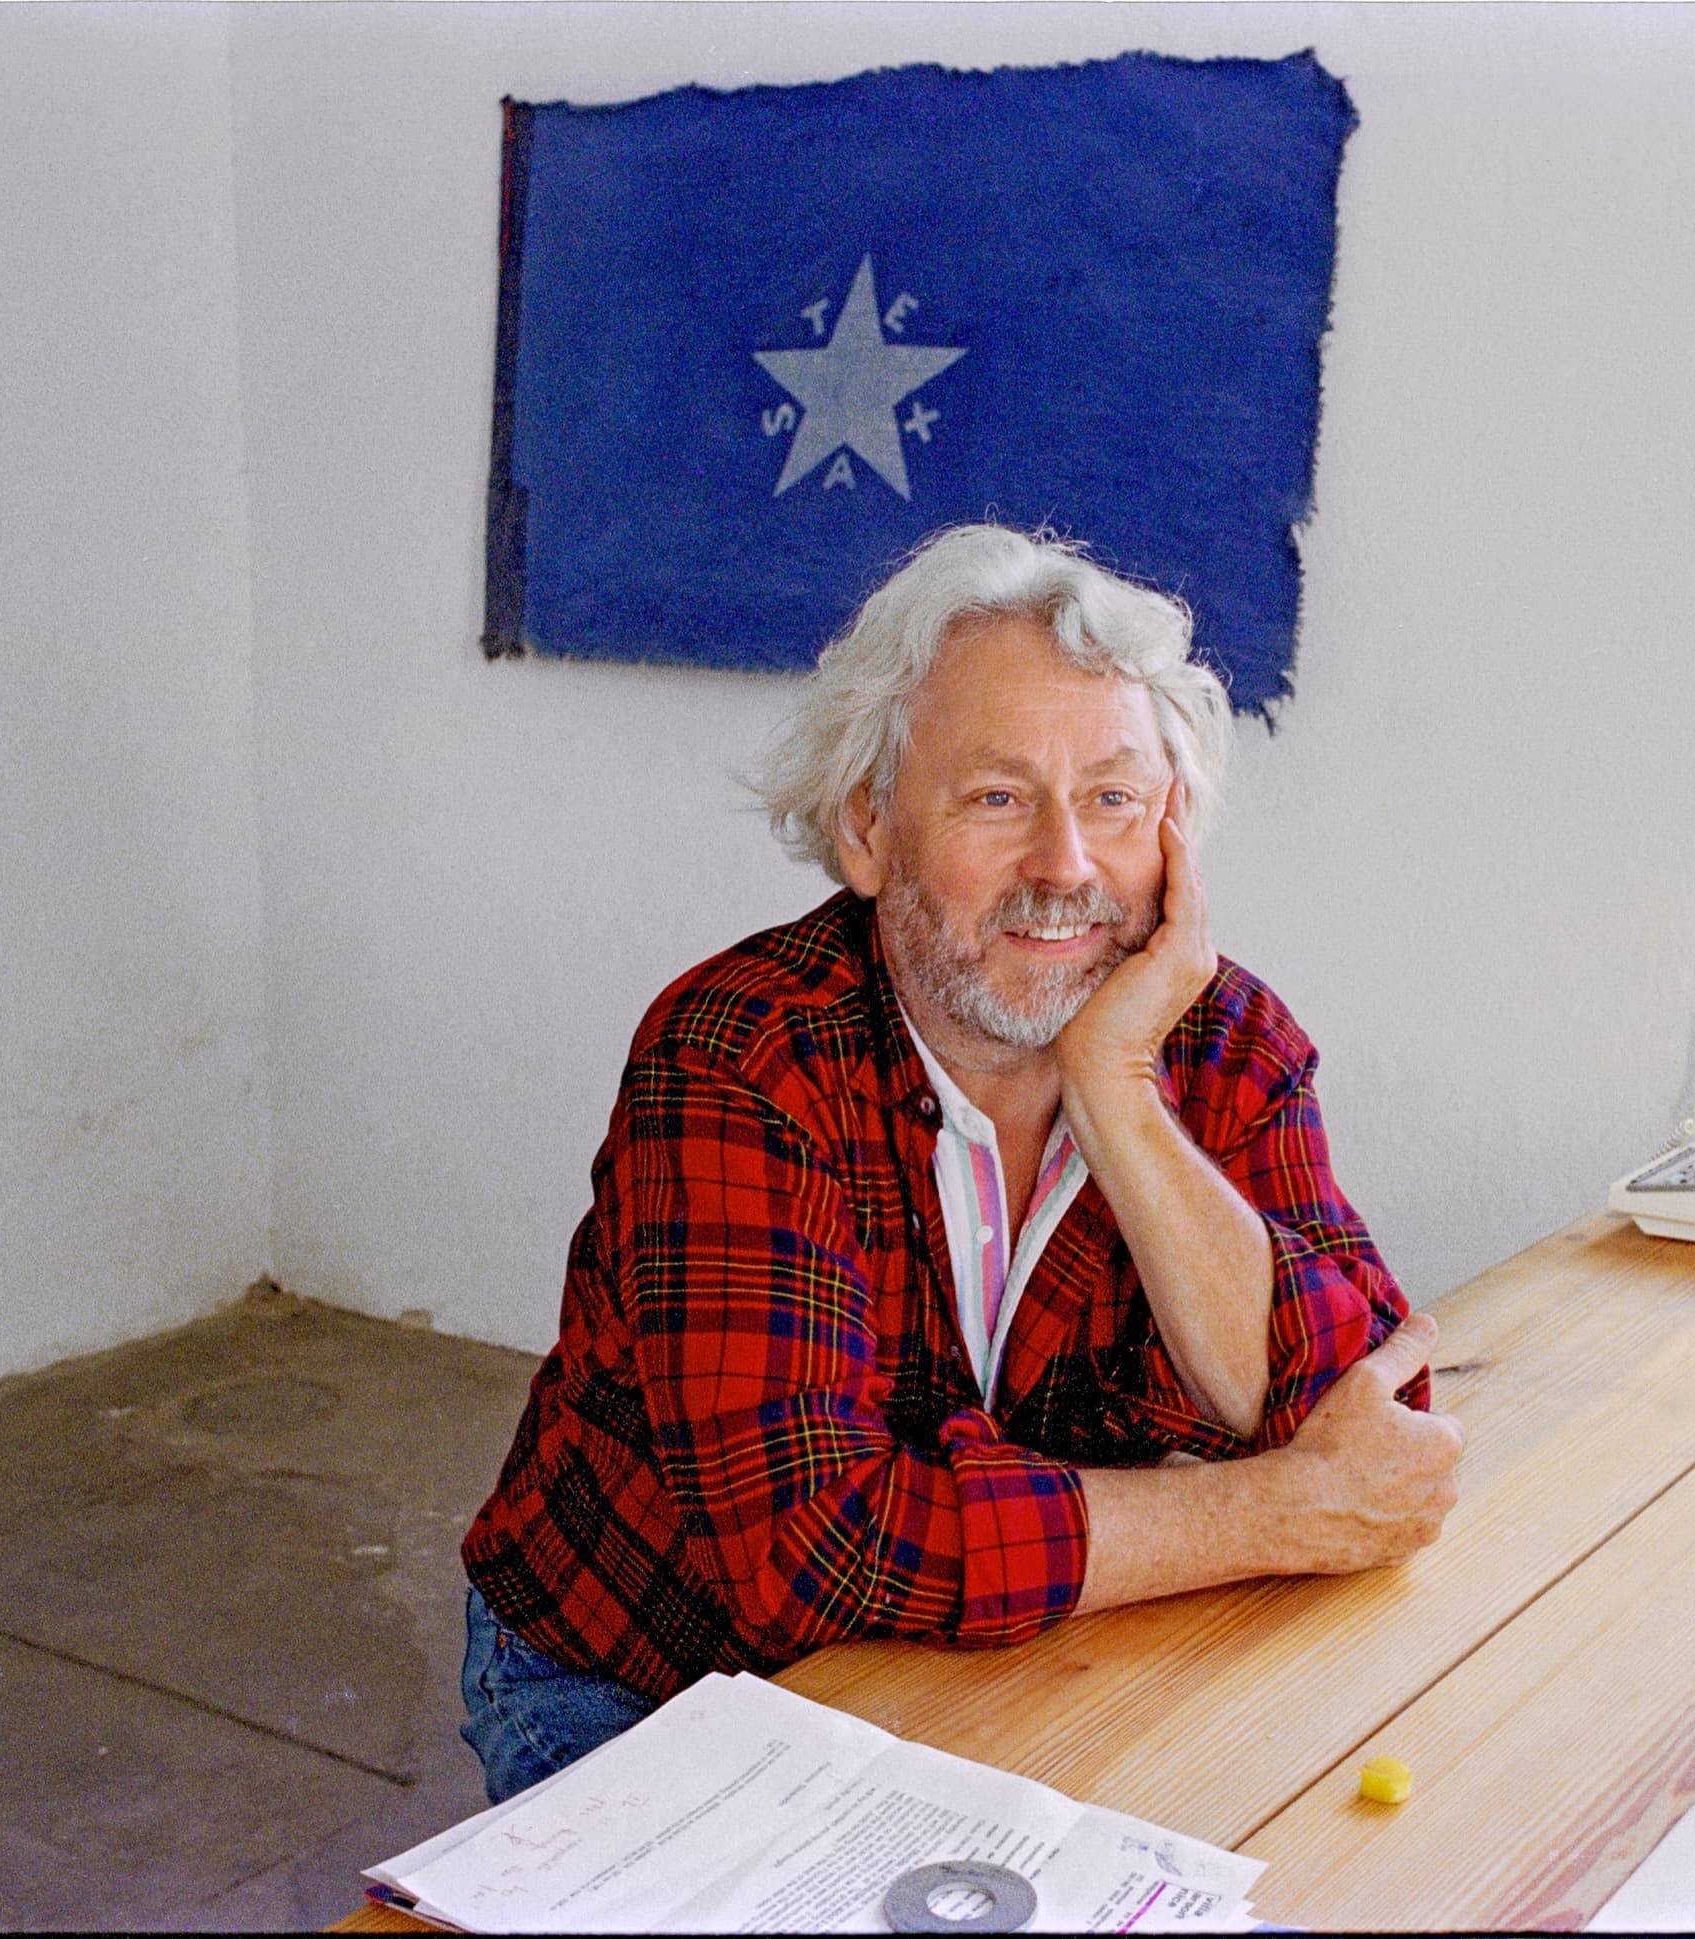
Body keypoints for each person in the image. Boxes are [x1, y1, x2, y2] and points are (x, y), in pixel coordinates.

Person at [458, 525, 1463, 1801]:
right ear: (869, 829)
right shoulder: (738, 1059)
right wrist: (1261, 1513)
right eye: (998, 798)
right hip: (655, 1678)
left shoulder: (1223, 1039)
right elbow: (809, 1555)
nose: (1066, 866)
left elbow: (1370, 1427)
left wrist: (1117, 1093)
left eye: (1113, 800)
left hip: (1017, 1644)